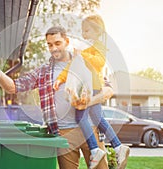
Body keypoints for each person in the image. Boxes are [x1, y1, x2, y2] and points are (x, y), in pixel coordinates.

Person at [0, 25, 111, 169]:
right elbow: (13, 86)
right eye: (50, 44)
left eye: (57, 43)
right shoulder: (43, 72)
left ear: (66, 41)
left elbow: (108, 91)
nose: (54, 48)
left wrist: (89, 102)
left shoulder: (86, 61)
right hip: (63, 132)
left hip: (91, 128)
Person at [53, 15, 130, 169]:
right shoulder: (87, 48)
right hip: (89, 86)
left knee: (81, 117)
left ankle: (95, 149)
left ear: (97, 31)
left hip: (92, 86)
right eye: (83, 31)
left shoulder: (99, 47)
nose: (84, 34)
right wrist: (61, 79)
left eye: (87, 31)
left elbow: (99, 63)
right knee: (97, 117)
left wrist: (81, 54)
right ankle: (118, 146)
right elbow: (71, 66)